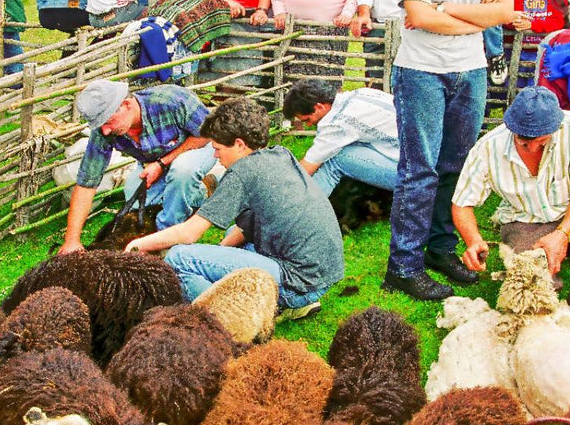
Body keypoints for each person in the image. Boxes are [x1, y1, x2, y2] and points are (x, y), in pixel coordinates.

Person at [382, 0, 513, 301]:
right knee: (419, 170)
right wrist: (474, 17)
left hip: (470, 70)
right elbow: (419, 18)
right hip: (420, 70)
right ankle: (403, 266)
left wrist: (446, 8)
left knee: (455, 163)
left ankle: (440, 250)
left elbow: (504, 13)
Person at [124, 97, 344, 321]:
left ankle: (232, 320)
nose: (215, 155)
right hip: (321, 274)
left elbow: (190, 233)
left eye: (218, 148)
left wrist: (137, 245)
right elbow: (251, 224)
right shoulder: (280, 154)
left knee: (180, 258)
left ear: (239, 144)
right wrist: (216, 256)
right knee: (232, 235)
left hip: (296, 281)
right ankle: (283, 305)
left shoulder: (242, 173)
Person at [453, 87, 570, 334]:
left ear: (555, 129)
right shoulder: (487, 149)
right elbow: (462, 203)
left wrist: (562, 235)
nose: (531, 149)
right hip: (525, 220)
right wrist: (473, 240)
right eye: (523, 142)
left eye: (541, 142)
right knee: (531, 283)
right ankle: (544, 326)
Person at [60, 80, 217, 254]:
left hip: (201, 147)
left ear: (126, 104)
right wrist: (72, 240)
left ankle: (169, 238)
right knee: (135, 193)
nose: (105, 131)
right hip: (156, 162)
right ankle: (201, 192)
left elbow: (208, 133)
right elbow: (87, 182)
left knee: (182, 170)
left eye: (108, 122)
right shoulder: (104, 130)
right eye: (101, 125)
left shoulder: (172, 100)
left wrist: (162, 163)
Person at [282, 79, 398, 196]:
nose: (308, 125)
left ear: (319, 107)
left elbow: (308, 166)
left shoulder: (337, 123)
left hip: (411, 176)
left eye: (307, 119)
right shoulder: (362, 93)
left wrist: (283, 188)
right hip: (409, 157)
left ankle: (304, 205)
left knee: (335, 158)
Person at [509, 0, 570, 84]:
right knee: (514, 83)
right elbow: (505, 15)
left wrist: (532, 25)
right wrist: (514, 22)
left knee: (538, 82)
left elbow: (558, 22)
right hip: (517, 47)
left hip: (545, 49)